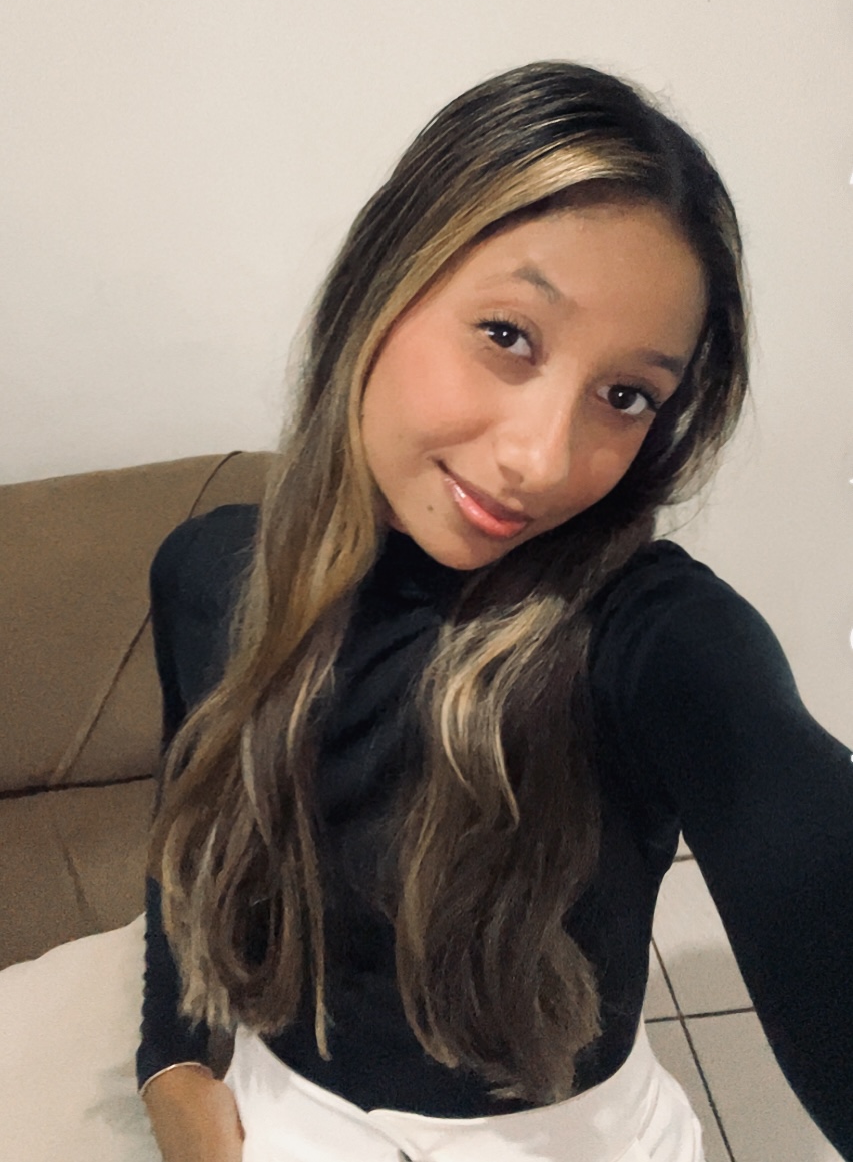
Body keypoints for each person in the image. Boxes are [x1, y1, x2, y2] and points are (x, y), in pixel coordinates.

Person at [134, 62, 853, 1161]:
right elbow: (188, 843)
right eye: (509, 335)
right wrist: (174, 1068)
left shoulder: (650, 642)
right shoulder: (209, 575)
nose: (543, 459)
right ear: (382, 283)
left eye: (625, 395)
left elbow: (807, 854)